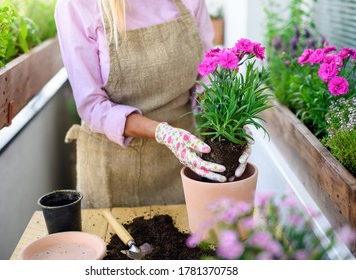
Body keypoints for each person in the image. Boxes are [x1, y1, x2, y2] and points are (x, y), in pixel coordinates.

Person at [55, 0, 252, 208]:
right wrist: (163, 133)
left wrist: (231, 124)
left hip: (182, 167)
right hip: (113, 177)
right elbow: (92, 106)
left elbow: (203, 77)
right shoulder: (77, 5)